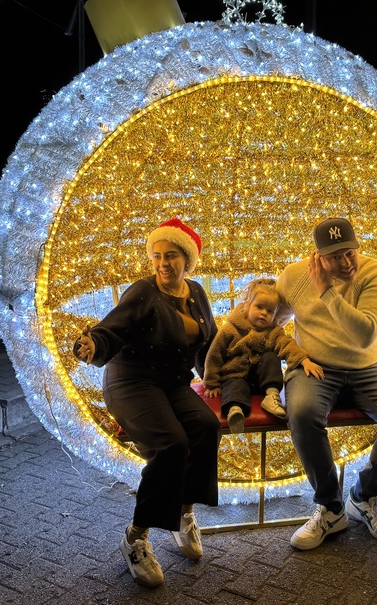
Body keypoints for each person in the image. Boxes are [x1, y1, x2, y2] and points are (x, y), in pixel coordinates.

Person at [73, 217, 221, 589]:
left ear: (187, 259)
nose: (162, 264)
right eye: (156, 256)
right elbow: (112, 329)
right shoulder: (143, 291)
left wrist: (219, 375)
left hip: (172, 384)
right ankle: (135, 538)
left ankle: (183, 514)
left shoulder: (197, 292)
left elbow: (208, 341)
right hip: (131, 382)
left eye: (171, 255)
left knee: (205, 426)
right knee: (172, 445)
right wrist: (94, 346)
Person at [276, 217, 377, 550]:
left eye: (350, 252)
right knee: (300, 413)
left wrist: (327, 293)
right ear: (318, 256)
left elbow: (364, 335)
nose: (346, 263)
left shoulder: (375, 272)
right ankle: (330, 508)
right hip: (315, 367)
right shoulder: (294, 276)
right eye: (335, 256)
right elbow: (272, 319)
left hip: (366, 365)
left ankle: (364, 498)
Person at [202, 278, 324, 433]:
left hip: (261, 381)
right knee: (234, 385)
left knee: (271, 358)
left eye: (270, 311)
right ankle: (235, 410)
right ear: (247, 304)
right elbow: (215, 354)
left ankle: (271, 396)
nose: (263, 313)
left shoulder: (272, 331)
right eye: (259, 307)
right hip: (236, 375)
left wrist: (304, 360)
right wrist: (212, 383)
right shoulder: (230, 329)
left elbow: (287, 345)